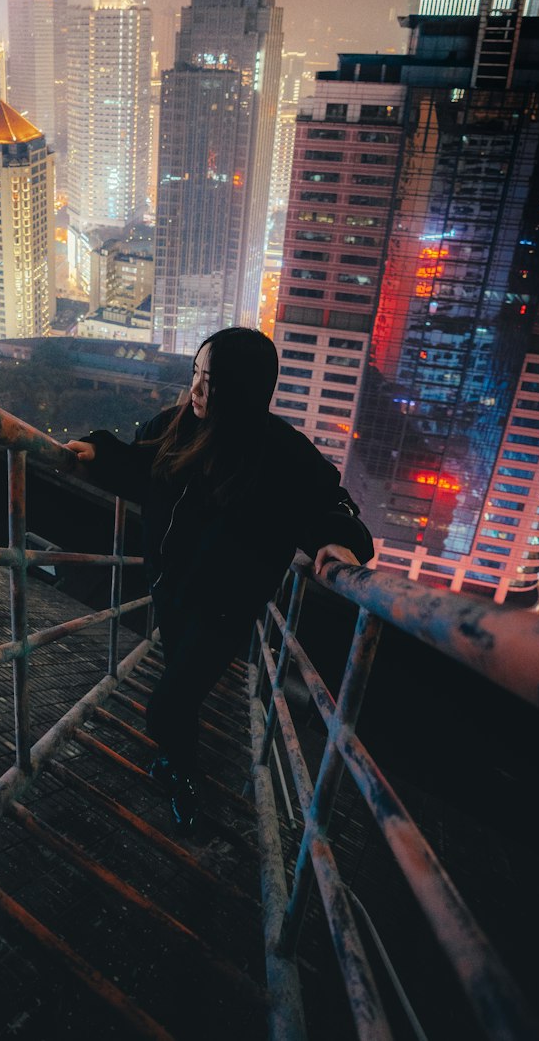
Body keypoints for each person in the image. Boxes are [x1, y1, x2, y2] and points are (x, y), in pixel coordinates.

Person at [65, 326, 372, 834]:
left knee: (169, 703)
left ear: (244, 389)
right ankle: (174, 762)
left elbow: (330, 502)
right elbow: (141, 466)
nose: (197, 391)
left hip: (225, 610)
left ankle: (184, 780)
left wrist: (338, 541)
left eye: (212, 381)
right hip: (170, 590)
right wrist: (101, 454)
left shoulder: (282, 454)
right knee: (179, 693)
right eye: (195, 376)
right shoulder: (175, 425)